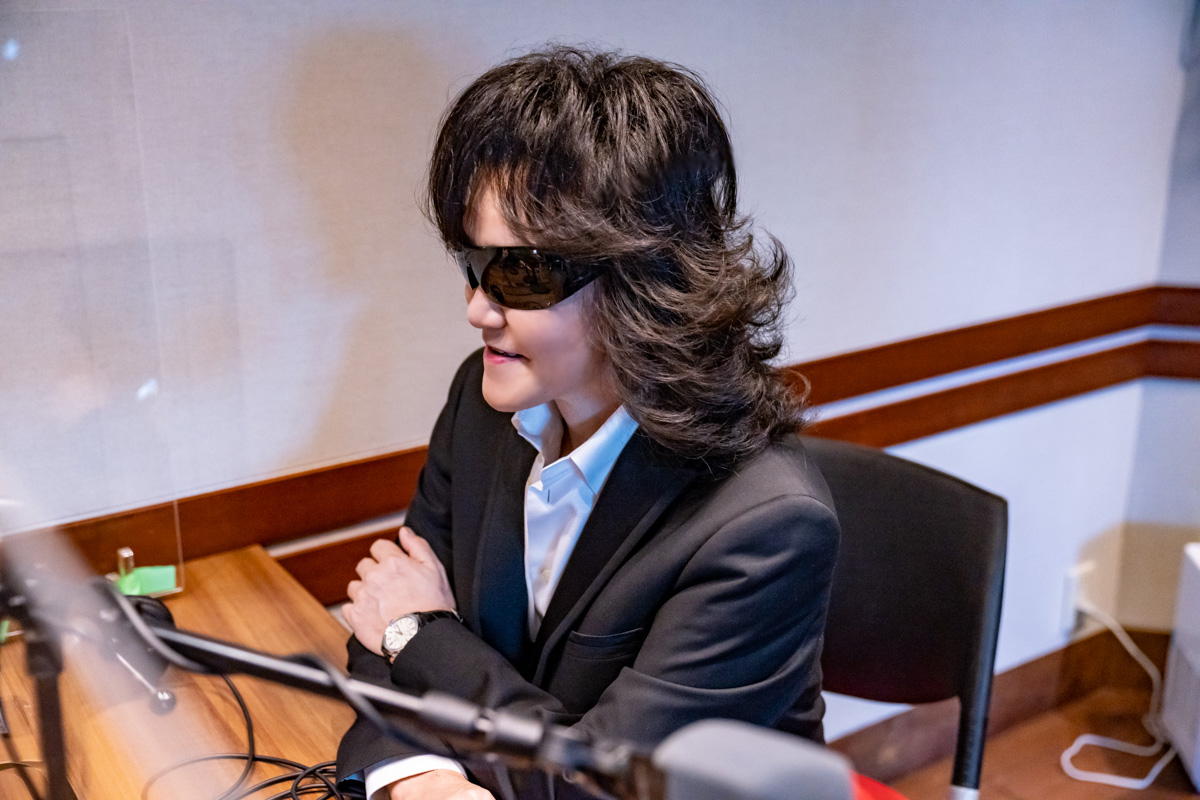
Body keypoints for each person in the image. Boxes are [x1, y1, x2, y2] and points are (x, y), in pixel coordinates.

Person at [335, 46, 839, 800]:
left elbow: (604, 780)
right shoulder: (483, 402)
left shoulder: (767, 525)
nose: (477, 309)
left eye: (521, 272)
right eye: (474, 263)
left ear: (648, 283)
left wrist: (421, 636)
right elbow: (382, 617)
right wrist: (422, 780)